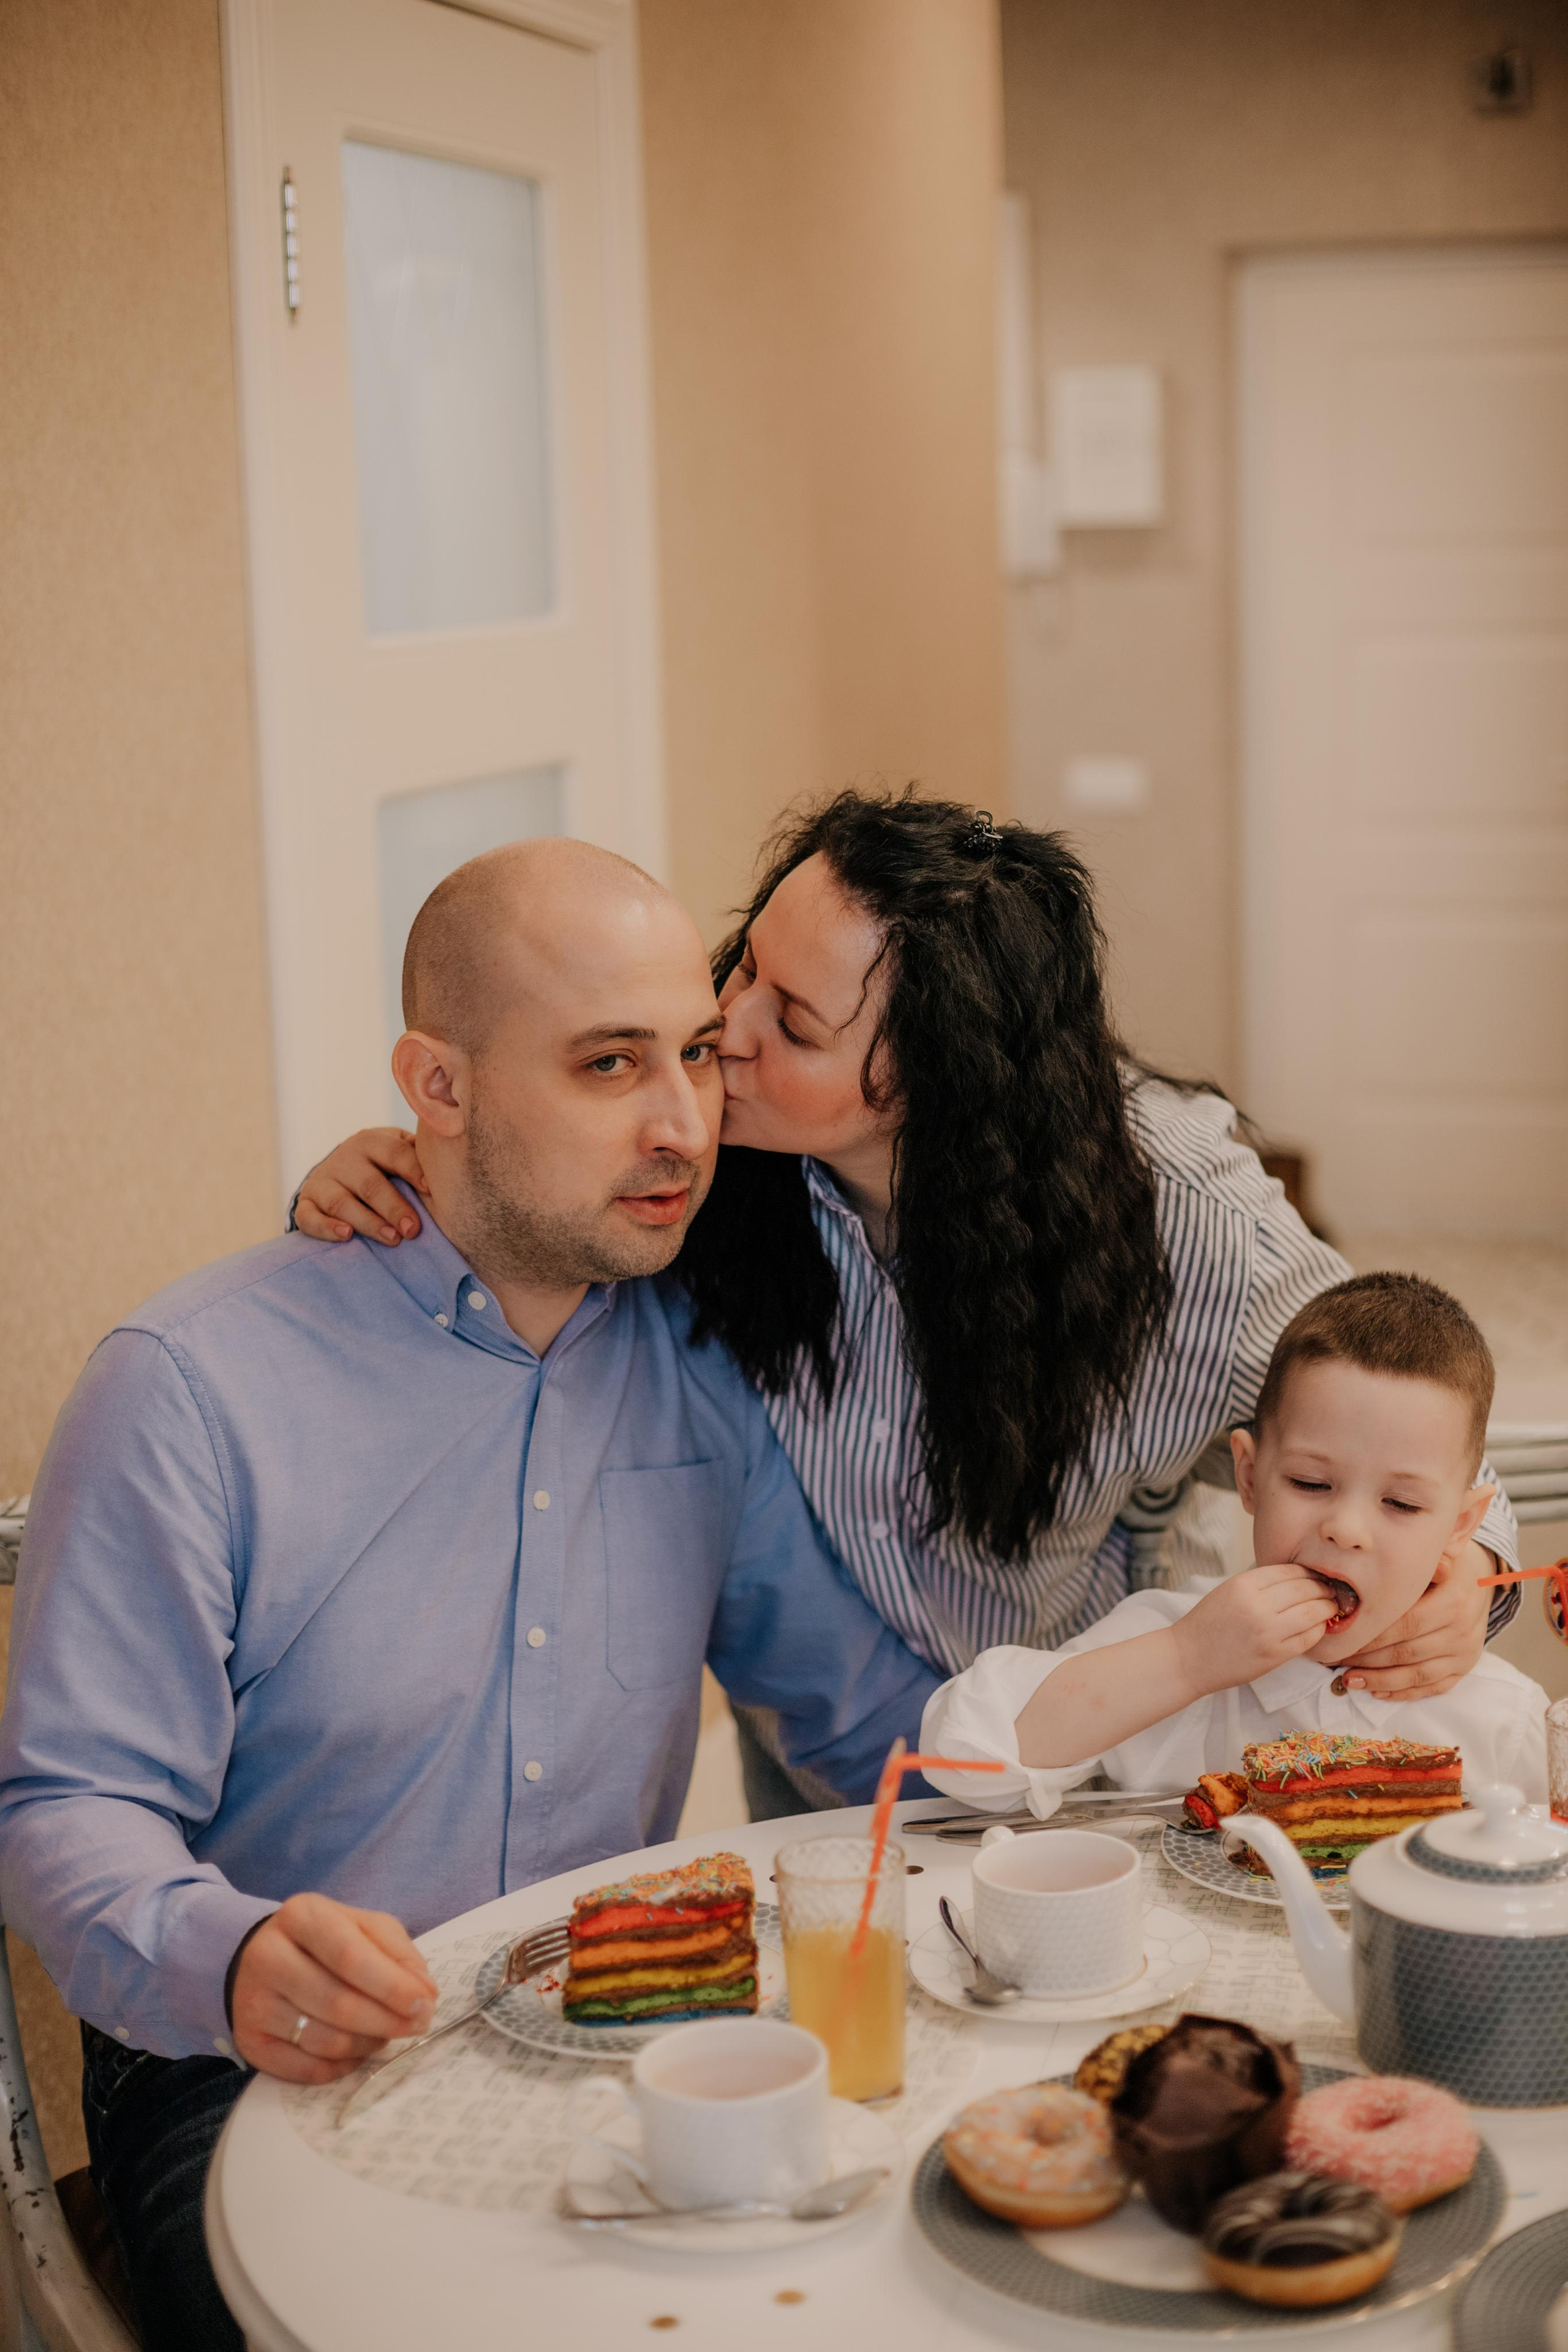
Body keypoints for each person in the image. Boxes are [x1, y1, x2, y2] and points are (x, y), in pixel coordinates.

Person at [0, 840, 940, 2352]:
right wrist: (230, 1957)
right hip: (258, 2061)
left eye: (694, 1053)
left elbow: (862, 1714)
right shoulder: (187, 1387)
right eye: (606, 1064)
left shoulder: (703, 1368)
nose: (682, 1122)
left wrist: (1164, 1708)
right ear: (432, 1088)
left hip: (607, 2011)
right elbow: (65, 1804)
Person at [292, 791, 1521, 1818]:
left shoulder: (1179, 1216)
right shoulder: (705, 1145)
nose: (726, 1029)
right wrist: (406, 1172)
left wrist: (1467, 1574)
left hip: (1084, 1743)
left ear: (940, 1087)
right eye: (750, 969)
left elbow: (1408, 1400)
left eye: (798, 1023)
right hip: (819, 1751)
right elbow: (531, 1190)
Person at [920, 1274, 1547, 1809]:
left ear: (1462, 1525)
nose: (1346, 1530)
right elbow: (960, 1755)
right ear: (1249, 1476)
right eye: (1309, 1482)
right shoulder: (1174, 1634)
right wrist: (1184, 1660)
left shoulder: (1502, 1716)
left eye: (1401, 1503)